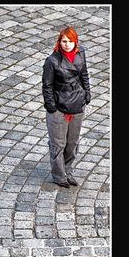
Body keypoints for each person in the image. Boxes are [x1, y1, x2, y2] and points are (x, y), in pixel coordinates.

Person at [42, 26, 91, 187]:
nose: (67, 44)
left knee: (72, 143)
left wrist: (86, 93)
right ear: (59, 42)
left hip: (77, 105)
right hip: (59, 108)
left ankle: (68, 171)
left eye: (70, 41)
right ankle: (59, 175)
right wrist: (51, 107)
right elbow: (47, 86)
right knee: (58, 144)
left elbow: (84, 74)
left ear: (75, 42)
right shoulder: (52, 61)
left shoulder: (80, 53)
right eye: (64, 41)